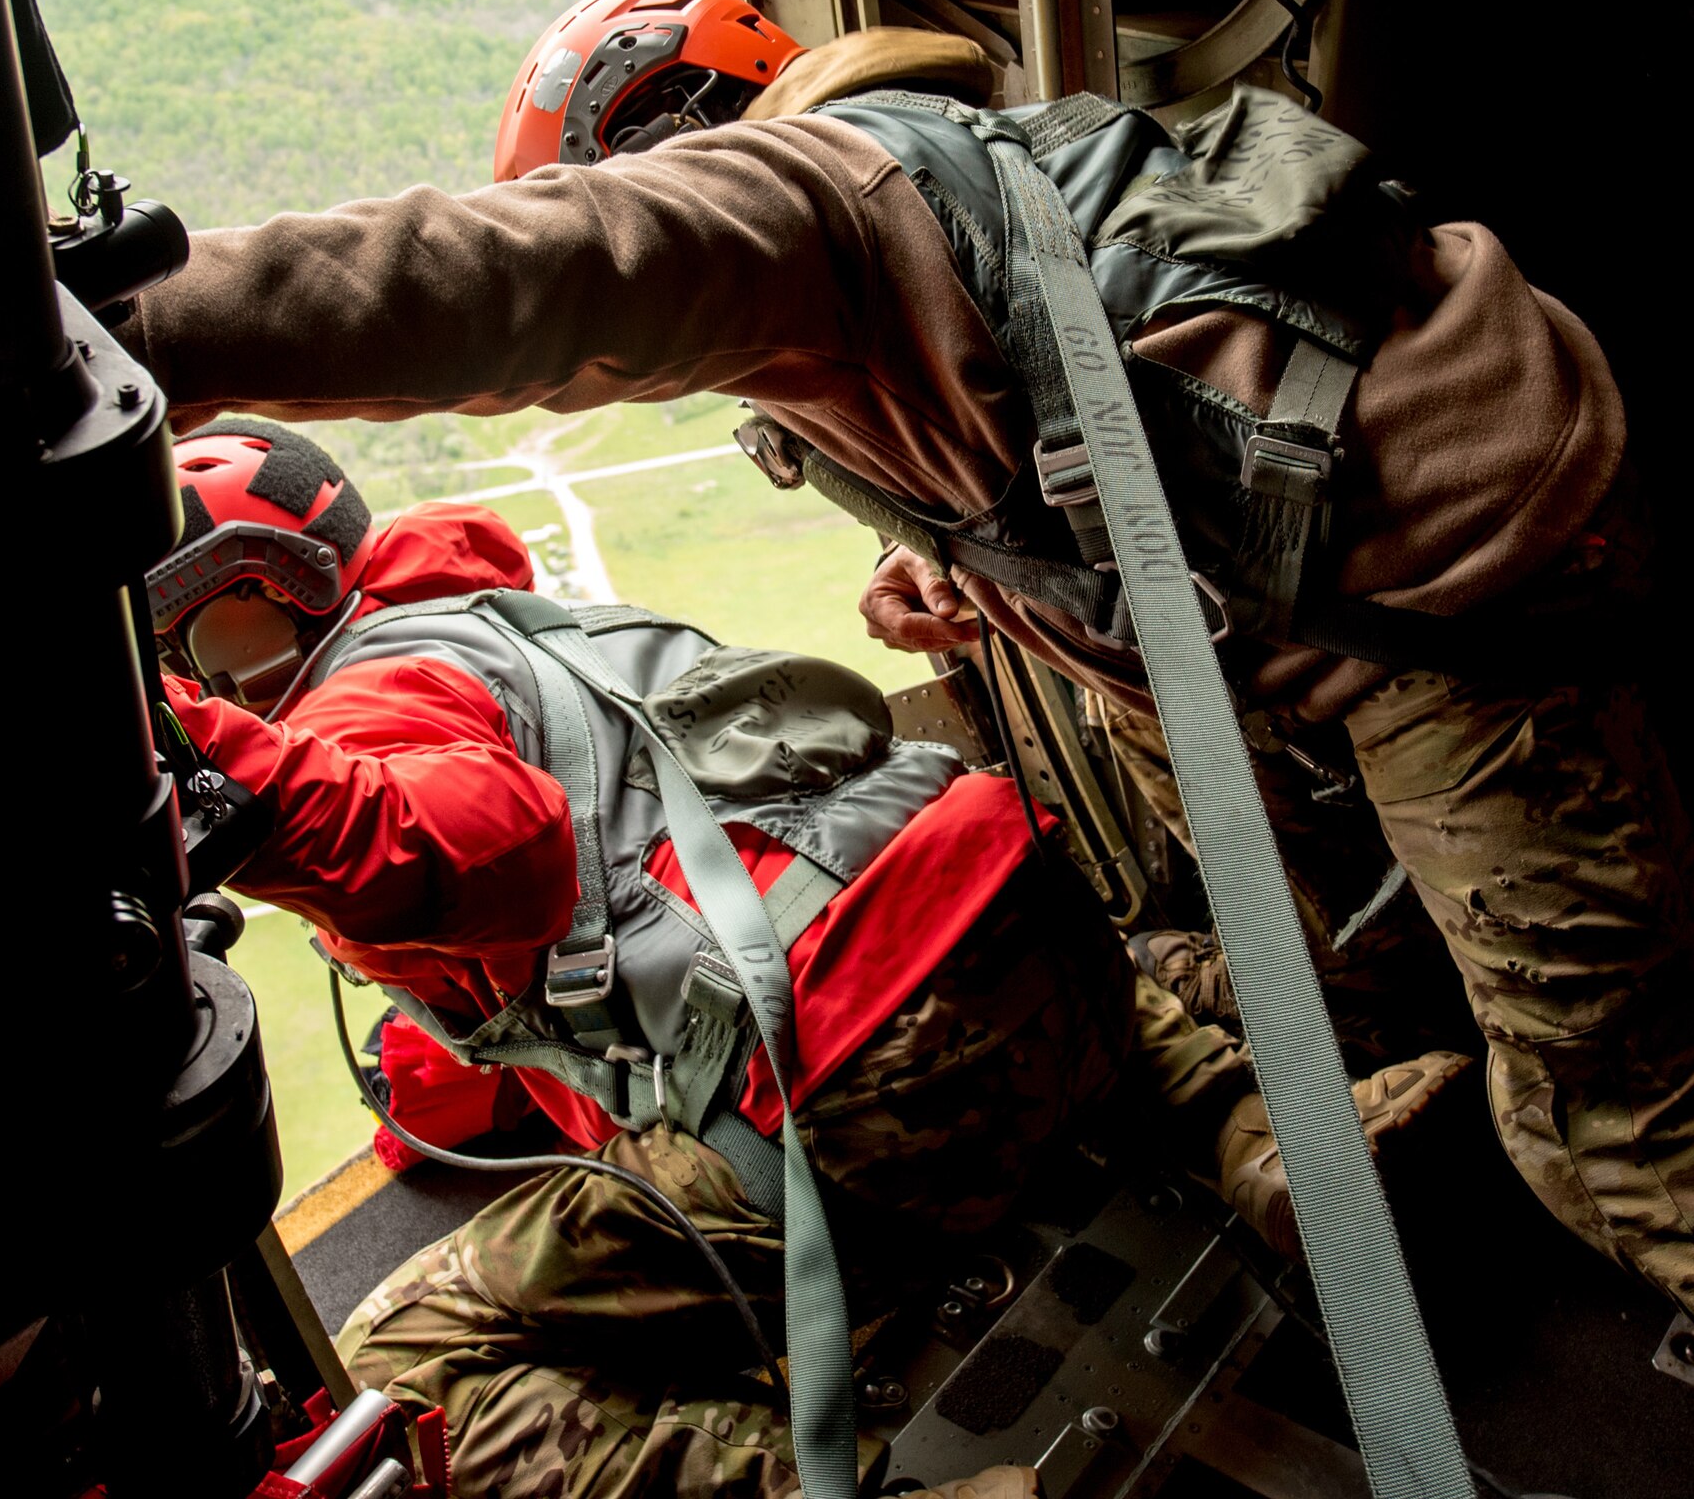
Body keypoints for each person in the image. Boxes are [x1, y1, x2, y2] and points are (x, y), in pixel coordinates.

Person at [120, 0, 1694, 1492]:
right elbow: (1114, 438)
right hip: (1409, 568)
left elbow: (479, 285)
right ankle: (1283, 1141)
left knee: (1637, 1133)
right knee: (1219, 960)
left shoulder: (785, 197)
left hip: (1431, 609)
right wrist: (972, 589)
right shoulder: (942, 163)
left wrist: (133, 330)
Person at [151, 422, 1464, 1498]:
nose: (186, 671)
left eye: (186, 647)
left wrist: (226, 776)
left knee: (396, 1367)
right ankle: (1257, 1136)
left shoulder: (358, 707)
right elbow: (534, 973)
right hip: (1034, 931)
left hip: (858, 1095)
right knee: (1005, 941)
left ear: (260, 603)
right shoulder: (533, 625)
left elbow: (489, 849)